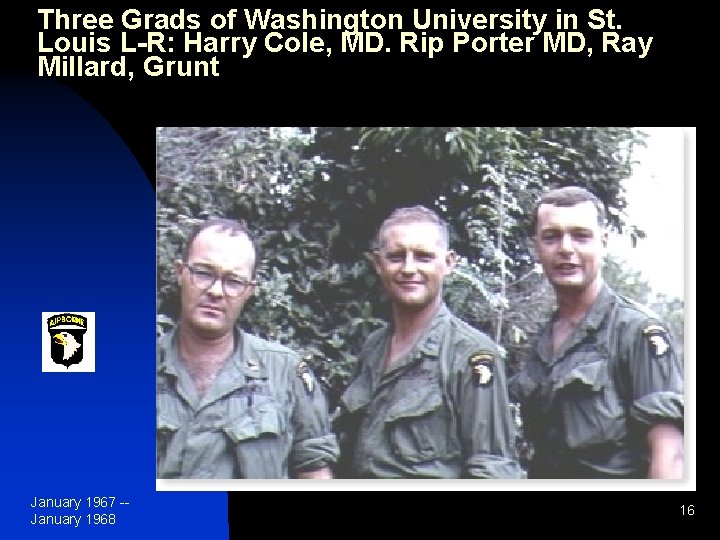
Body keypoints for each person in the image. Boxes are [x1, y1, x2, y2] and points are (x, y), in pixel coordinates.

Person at [334, 206, 522, 478]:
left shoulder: (471, 354)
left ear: (448, 263)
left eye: (423, 257)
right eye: (396, 257)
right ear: (378, 264)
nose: (409, 269)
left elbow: (493, 468)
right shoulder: (373, 348)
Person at [509, 186, 684, 479]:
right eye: (552, 237)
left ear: (603, 242)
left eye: (581, 235)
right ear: (536, 247)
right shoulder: (541, 341)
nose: (566, 248)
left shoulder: (637, 332)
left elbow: (671, 457)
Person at [157, 218, 338, 478]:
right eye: (204, 273)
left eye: (233, 281)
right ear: (180, 273)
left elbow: (314, 473)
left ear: (250, 290)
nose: (216, 291)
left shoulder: (284, 373)